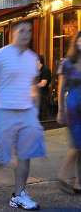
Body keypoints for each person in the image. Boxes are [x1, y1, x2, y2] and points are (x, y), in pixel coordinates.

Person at [0, 21, 46, 210]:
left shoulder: (32, 58)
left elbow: (33, 85)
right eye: (22, 31)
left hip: (27, 112)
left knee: (25, 154)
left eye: (29, 31)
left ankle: (19, 194)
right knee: (0, 156)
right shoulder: (1, 55)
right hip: (3, 110)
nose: (26, 34)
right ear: (12, 33)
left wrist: (35, 110)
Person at [57, 31, 81, 194]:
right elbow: (60, 89)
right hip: (73, 107)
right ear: (76, 42)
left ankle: (78, 182)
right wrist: (60, 110)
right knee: (77, 144)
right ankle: (63, 176)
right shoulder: (67, 63)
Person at [37, 55, 51, 120]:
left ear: (38, 61)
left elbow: (43, 83)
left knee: (43, 114)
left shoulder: (45, 70)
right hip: (37, 96)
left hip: (43, 95)